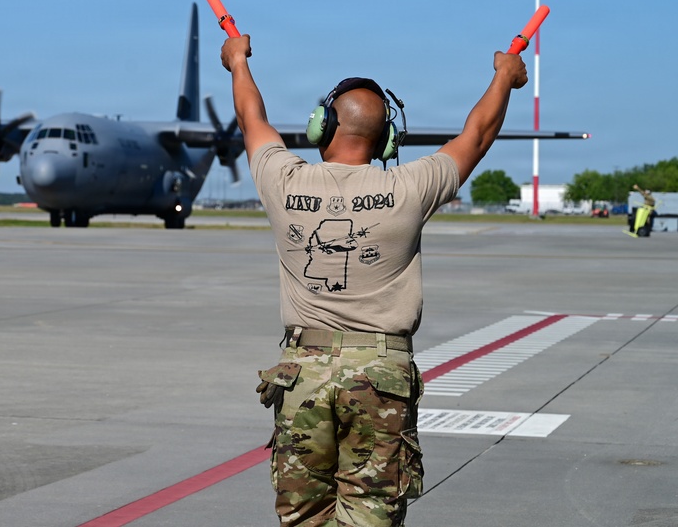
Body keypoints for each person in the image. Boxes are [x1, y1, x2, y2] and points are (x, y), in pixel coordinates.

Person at [219, 34, 529, 527]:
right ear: (388, 139)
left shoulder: (284, 179)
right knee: (370, 515)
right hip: (381, 377)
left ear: (321, 127)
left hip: (302, 374)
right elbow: (477, 135)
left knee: (302, 517)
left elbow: (251, 117)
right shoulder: (408, 187)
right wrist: (504, 77)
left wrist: (237, 61)